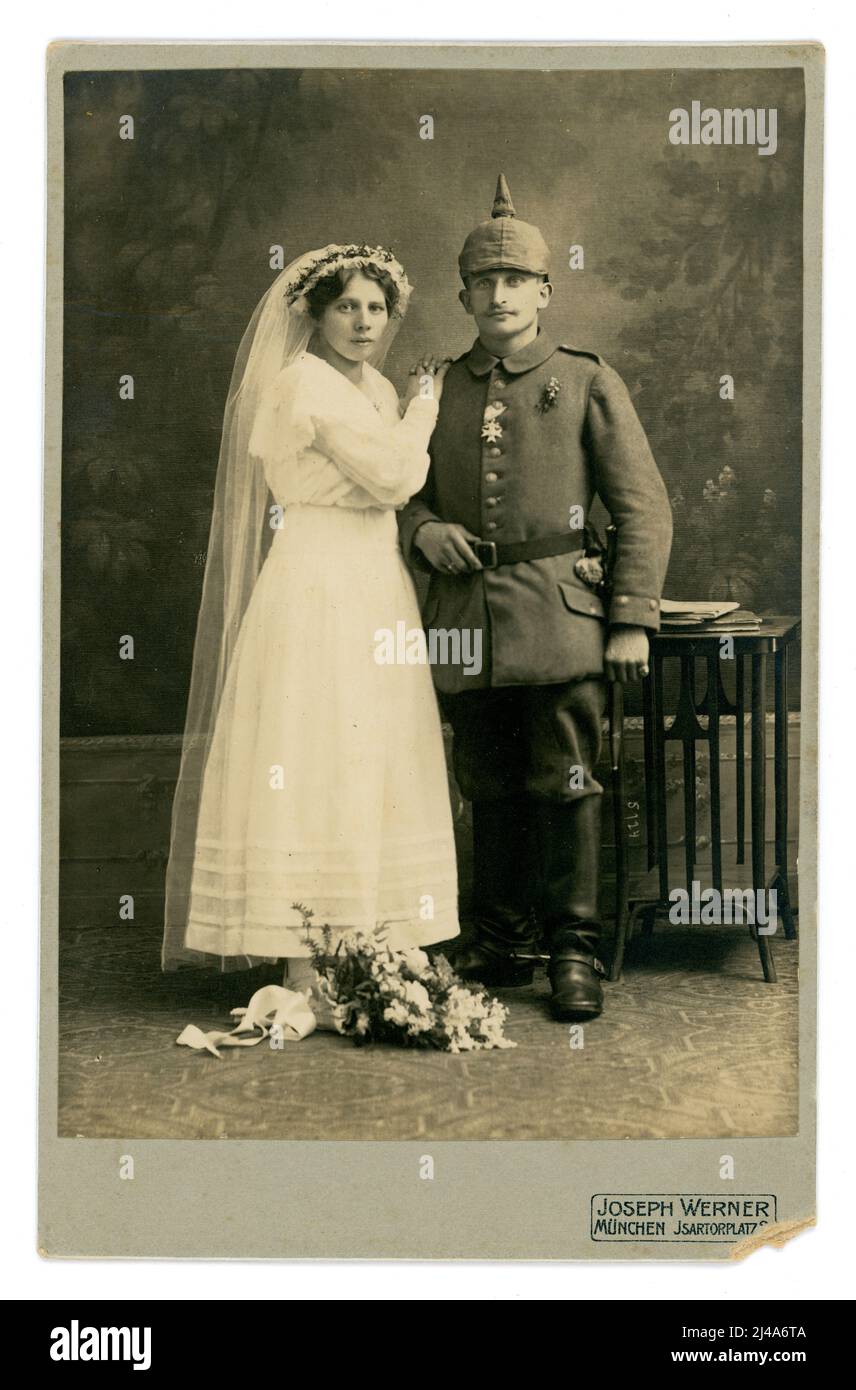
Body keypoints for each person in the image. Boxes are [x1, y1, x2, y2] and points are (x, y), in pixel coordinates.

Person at [398, 178, 673, 1021]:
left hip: (562, 620)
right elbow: (393, 485)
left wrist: (630, 619)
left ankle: (572, 950)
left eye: (516, 281)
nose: (499, 295)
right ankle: (499, 937)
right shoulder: (434, 384)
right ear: (464, 296)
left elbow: (642, 507)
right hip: (463, 624)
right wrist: (420, 530)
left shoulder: (588, 381)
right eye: (484, 283)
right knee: (484, 783)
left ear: (545, 292)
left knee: (568, 784)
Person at [162, 244, 460, 988]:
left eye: (376, 308)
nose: (363, 322)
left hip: (373, 580)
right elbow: (393, 476)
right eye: (346, 307)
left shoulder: (377, 391)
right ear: (318, 315)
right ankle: (305, 956)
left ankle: (378, 934)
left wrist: (400, 422)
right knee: (314, 746)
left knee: (375, 750)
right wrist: (426, 408)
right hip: (316, 582)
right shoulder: (301, 386)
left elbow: (383, 478)